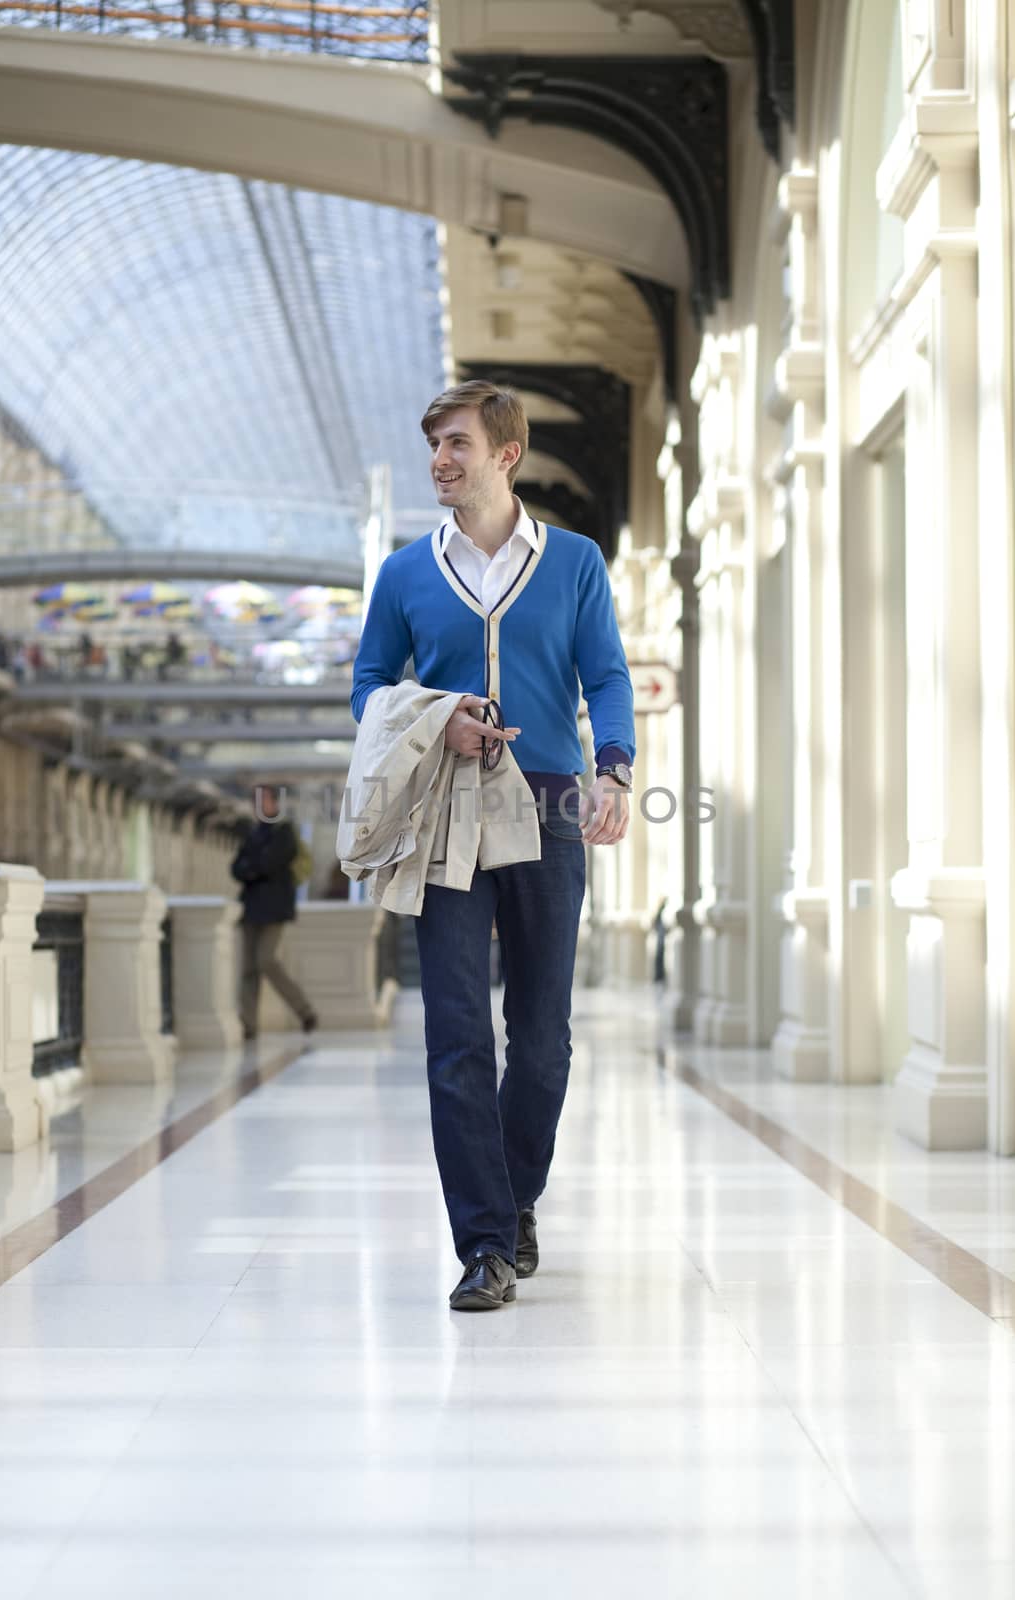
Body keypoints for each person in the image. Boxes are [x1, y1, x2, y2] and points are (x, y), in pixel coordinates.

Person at [351, 380, 634, 1312]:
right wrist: (436, 721)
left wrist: (614, 772)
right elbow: (366, 689)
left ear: (504, 455)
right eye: (433, 442)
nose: (439, 458)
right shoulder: (401, 575)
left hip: (550, 805)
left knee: (542, 1039)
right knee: (456, 1034)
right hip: (443, 811)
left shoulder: (576, 560)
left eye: (456, 443)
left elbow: (607, 673)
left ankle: (516, 1201)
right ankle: (483, 1242)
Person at [231, 784, 318, 1040]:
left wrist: (252, 868)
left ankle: (304, 1010)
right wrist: (253, 868)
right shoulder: (253, 833)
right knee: (248, 968)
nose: (259, 806)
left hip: (274, 909)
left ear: (274, 804)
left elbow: (268, 863)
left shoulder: (284, 832)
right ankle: (248, 1024)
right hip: (251, 908)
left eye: (264, 801)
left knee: (266, 960)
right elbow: (236, 868)